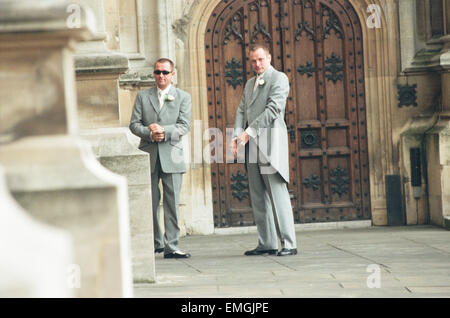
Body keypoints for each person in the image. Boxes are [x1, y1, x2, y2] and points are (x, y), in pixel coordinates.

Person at [230, 44, 298, 257]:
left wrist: (248, 132)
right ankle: (267, 242)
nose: (257, 64)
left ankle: (288, 243)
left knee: (277, 194)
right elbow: (242, 109)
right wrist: (237, 136)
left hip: (270, 144)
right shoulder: (250, 83)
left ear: (269, 58)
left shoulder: (279, 79)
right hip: (251, 147)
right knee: (258, 195)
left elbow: (273, 110)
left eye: (260, 59)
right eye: (253, 60)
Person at [130, 58, 192, 259]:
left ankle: (172, 245)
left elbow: (184, 125)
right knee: (150, 201)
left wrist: (163, 131)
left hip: (172, 155)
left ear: (172, 74)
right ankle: (155, 242)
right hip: (149, 154)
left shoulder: (183, 97)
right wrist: (150, 133)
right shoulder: (142, 96)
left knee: (172, 203)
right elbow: (134, 124)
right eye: (157, 72)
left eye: (165, 72)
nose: (161, 76)